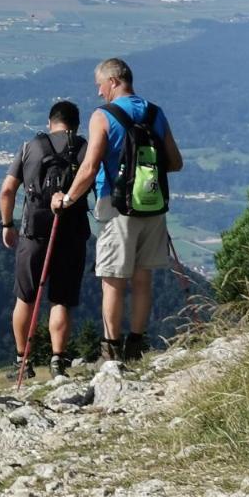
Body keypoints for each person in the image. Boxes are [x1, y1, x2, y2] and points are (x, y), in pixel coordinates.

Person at [51, 58, 183, 362]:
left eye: (100, 85)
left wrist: (68, 199)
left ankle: (111, 351)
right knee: (142, 278)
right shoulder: (155, 113)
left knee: (112, 279)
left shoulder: (104, 116)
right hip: (152, 204)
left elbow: (90, 165)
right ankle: (136, 346)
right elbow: (175, 162)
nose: (99, 93)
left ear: (112, 81)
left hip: (116, 204)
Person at [0, 100, 91, 379]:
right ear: (75, 124)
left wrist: (7, 224)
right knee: (61, 299)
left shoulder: (30, 147)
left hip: (34, 230)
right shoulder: (85, 148)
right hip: (72, 229)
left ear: (50, 122)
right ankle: (57, 361)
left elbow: (7, 191)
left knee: (25, 298)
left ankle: (22, 361)